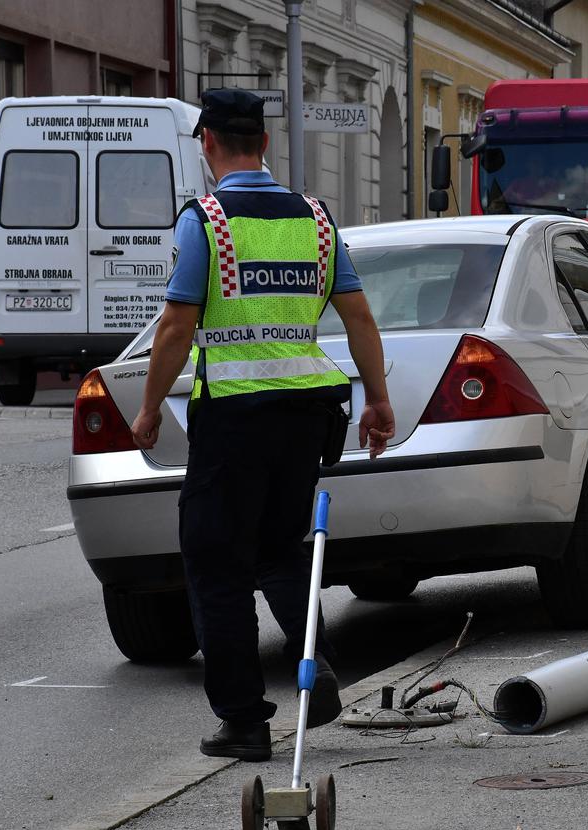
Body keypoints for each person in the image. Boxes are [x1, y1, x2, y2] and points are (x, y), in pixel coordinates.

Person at [129, 88, 396, 761]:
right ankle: (319, 662)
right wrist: (379, 399)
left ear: (209, 145)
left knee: (216, 562)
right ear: (266, 145)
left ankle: (244, 720)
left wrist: (150, 403)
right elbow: (359, 316)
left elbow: (176, 326)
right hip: (307, 414)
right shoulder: (316, 219)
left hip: (234, 418)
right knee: (280, 547)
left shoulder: (207, 222)